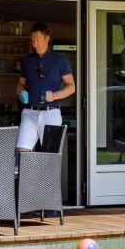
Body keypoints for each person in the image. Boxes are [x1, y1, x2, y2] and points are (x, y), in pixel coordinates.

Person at [16, 21, 75, 152]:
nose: (34, 44)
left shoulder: (59, 59)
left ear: (47, 38)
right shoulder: (27, 60)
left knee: (50, 158)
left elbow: (71, 86)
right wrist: (21, 92)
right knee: (21, 154)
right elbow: (20, 84)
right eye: (32, 41)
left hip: (51, 113)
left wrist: (54, 95)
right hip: (29, 113)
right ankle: (28, 174)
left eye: (38, 40)